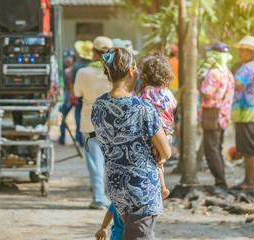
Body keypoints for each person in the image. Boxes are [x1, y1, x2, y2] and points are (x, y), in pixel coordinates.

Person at [91, 47, 171, 239]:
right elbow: (166, 152)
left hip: (116, 187)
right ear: (130, 69)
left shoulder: (98, 106)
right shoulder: (142, 107)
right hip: (141, 190)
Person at [73, 36, 113, 209]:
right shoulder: (116, 73)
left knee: (95, 163)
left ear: (93, 52)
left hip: (90, 123)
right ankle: (116, 198)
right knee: (113, 163)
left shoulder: (83, 72)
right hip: (114, 124)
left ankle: (99, 198)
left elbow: (77, 93)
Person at [137, 52, 177, 199]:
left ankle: (162, 187)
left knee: (155, 161)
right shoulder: (168, 93)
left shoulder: (146, 93)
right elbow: (173, 105)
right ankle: (162, 186)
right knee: (160, 160)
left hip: (153, 133)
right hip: (167, 133)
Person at [231, 35, 254, 190]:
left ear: (252, 52)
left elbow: (239, 85)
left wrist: (227, 79)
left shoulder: (248, 67)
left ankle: (248, 181)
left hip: (246, 113)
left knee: (248, 149)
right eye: (240, 50)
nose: (241, 54)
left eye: (244, 51)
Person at [199, 42, 235, 189]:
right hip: (224, 116)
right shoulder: (227, 72)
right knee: (217, 148)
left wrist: (198, 84)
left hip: (212, 115)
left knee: (211, 150)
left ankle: (220, 182)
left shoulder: (214, 73)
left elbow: (207, 93)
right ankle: (221, 181)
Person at [58, 49, 77, 145]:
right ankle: (62, 138)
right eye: (66, 59)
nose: (67, 61)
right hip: (67, 98)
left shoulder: (77, 68)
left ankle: (79, 139)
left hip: (77, 97)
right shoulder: (61, 71)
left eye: (69, 59)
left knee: (78, 119)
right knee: (63, 118)